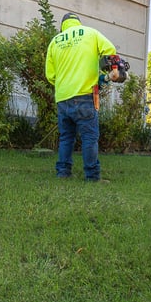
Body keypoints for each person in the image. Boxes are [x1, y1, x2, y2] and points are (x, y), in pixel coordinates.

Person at [45, 12, 118, 181]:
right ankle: (92, 177)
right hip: (85, 95)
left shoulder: (54, 42)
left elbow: (50, 75)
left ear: (62, 25)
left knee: (66, 138)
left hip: (63, 99)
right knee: (89, 138)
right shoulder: (90, 33)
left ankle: (63, 173)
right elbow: (110, 50)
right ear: (78, 23)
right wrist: (111, 69)